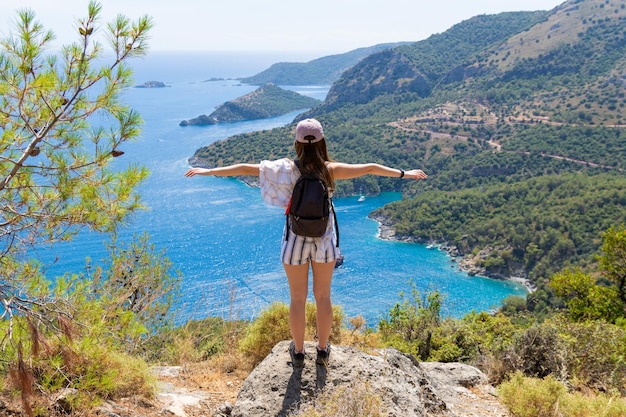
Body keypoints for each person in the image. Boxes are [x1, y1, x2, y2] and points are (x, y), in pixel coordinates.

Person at [185, 118, 427, 368]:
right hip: (324, 239)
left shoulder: (285, 169)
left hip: (295, 239)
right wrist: (404, 174)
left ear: (297, 143)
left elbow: (245, 168)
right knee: (323, 297)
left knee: (297, 299)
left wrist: (209, 171)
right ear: (322, 142)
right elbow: (369, 168)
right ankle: (322, 349)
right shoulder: (329, 169)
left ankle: (298, 352)